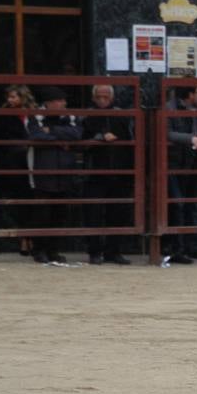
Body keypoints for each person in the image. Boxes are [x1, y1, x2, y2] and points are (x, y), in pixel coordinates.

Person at [26, 86, 83, 264]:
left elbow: (76, 134)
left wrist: (51, 132)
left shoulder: (70, 116)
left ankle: (53, 250)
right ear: (49, 103)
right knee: (42, 213)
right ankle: (39, 249)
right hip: (42, 170)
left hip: (64, 171)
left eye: (64, 101)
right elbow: (35, 136)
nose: (63, 104)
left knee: (60, 213)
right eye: (59, 101)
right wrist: (62, 140)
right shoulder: (35, 115)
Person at [164, 85, 197, 264]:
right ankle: (177, 249)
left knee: (191, 207)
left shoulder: (194, 111)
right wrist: (191, 139)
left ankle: (190, 247)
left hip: (190, 164)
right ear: (189, 95)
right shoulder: (169, 109)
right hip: (173, 165)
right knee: (178, 206)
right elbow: (167, 133)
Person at [80, 85, 133, 265]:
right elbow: (80, 139)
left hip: (120, 172)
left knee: (117, 213)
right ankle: (94, 252)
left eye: (105, 97)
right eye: (99, 97)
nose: (102, 100)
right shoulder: (87, 116)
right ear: (94, 98)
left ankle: (113, 251)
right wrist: (99, 137)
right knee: (93, 213)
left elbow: (129, 141)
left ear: (112, 98)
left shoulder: (121, 116)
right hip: (94, 172)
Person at [0, 85, 37, 258]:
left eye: (14, 97)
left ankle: (32, 236)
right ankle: (24, 238)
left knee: (33, 201)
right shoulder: (5, 115)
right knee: (21, 202)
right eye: (9, 97)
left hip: (34, 162)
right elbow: (4, 138)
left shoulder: (34, 114)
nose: (10, 100)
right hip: (15, 162)